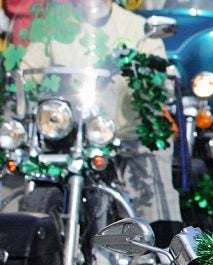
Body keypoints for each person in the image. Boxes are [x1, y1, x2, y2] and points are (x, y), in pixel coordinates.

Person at [18, 0, 182, 241]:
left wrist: (146, 75)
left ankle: (163, 252)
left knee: (153, 171)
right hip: (72, 133)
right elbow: (26, 71)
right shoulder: (58, 29)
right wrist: (18, 86)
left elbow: (163, 78)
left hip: (127, 130)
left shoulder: (137, 28)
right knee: (36, 163)